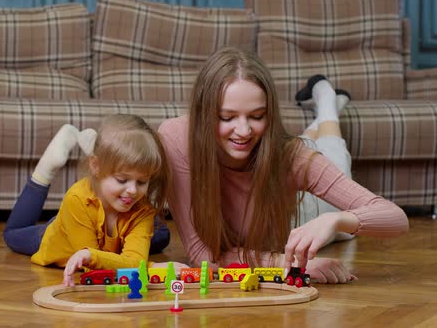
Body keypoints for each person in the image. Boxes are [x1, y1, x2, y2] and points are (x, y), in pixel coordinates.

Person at [158, 47, 409, 284]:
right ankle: (326, 109)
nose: (244, 130)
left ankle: (327, 102)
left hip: (311, 214)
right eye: (227, 117)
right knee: (307, 145)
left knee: (332, 156)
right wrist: (285, 265)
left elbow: (396, 218)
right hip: (287, 196)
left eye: (257, 116)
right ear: (204, 112)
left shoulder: (294, 156)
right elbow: (202, 255)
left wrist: (337, 219)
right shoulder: (178, 138)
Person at [3, 114, 180, 287]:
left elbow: (132, 261)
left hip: (108, 241)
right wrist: (151, 268)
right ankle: (45, 169)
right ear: (95, 166)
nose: (133, 190)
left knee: (161, 235)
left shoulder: (143, 209)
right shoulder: (77, 199)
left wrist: (137, 265)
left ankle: (103, 153)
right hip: (62, 234)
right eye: (122, 180)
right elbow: (91, 265)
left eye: (142, 182)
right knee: (12, 235)